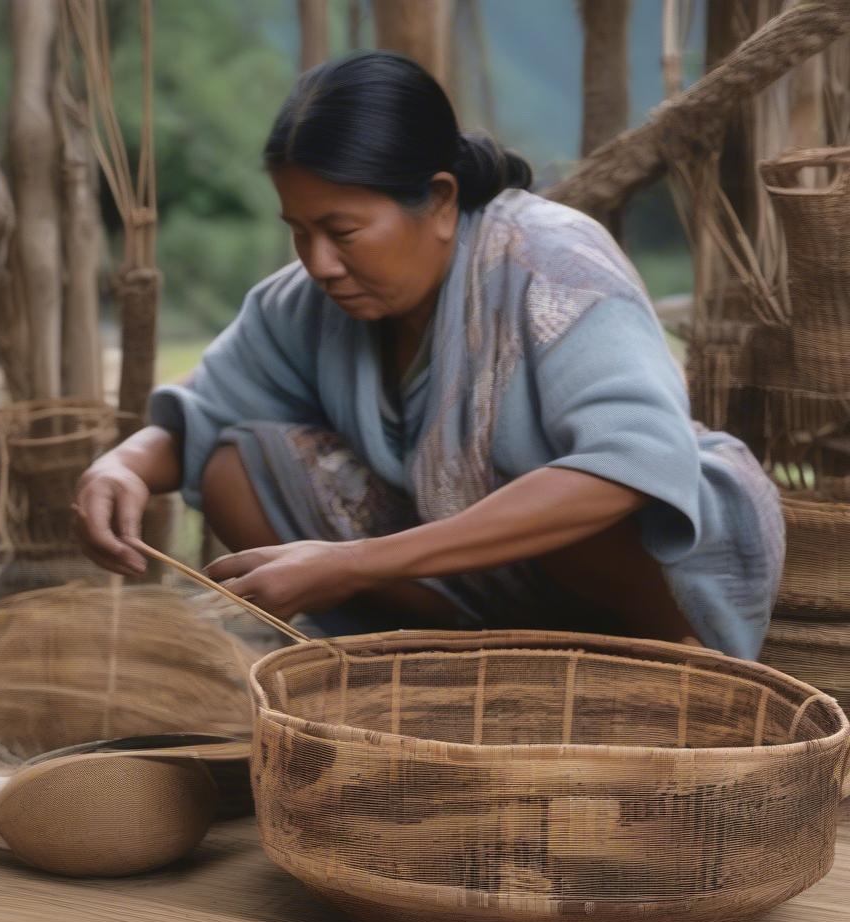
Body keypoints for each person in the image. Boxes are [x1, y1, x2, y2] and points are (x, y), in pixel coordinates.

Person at [74, 52, 784, 659]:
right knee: (236, 463)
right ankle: (440, 671)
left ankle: (664, 676)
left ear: (440, 201)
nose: (319, 262)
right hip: (483, 594)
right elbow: (204, 411)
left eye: (342, 230)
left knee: (568, 493)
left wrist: (351, 564)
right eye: (299, 231)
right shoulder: (310, 301)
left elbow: (630, 465)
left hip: (643, 578)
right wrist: (125, 465)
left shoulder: (553, 263)